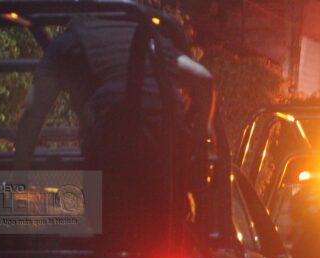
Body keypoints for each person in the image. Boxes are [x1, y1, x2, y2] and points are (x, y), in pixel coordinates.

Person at [12, 15, 213, 171]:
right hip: (169, 145)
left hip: (113, 145)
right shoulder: (153, 38)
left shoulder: (67, 42)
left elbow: (33, 112)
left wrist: (19, 177)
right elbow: (204, 79)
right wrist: (199, 143)